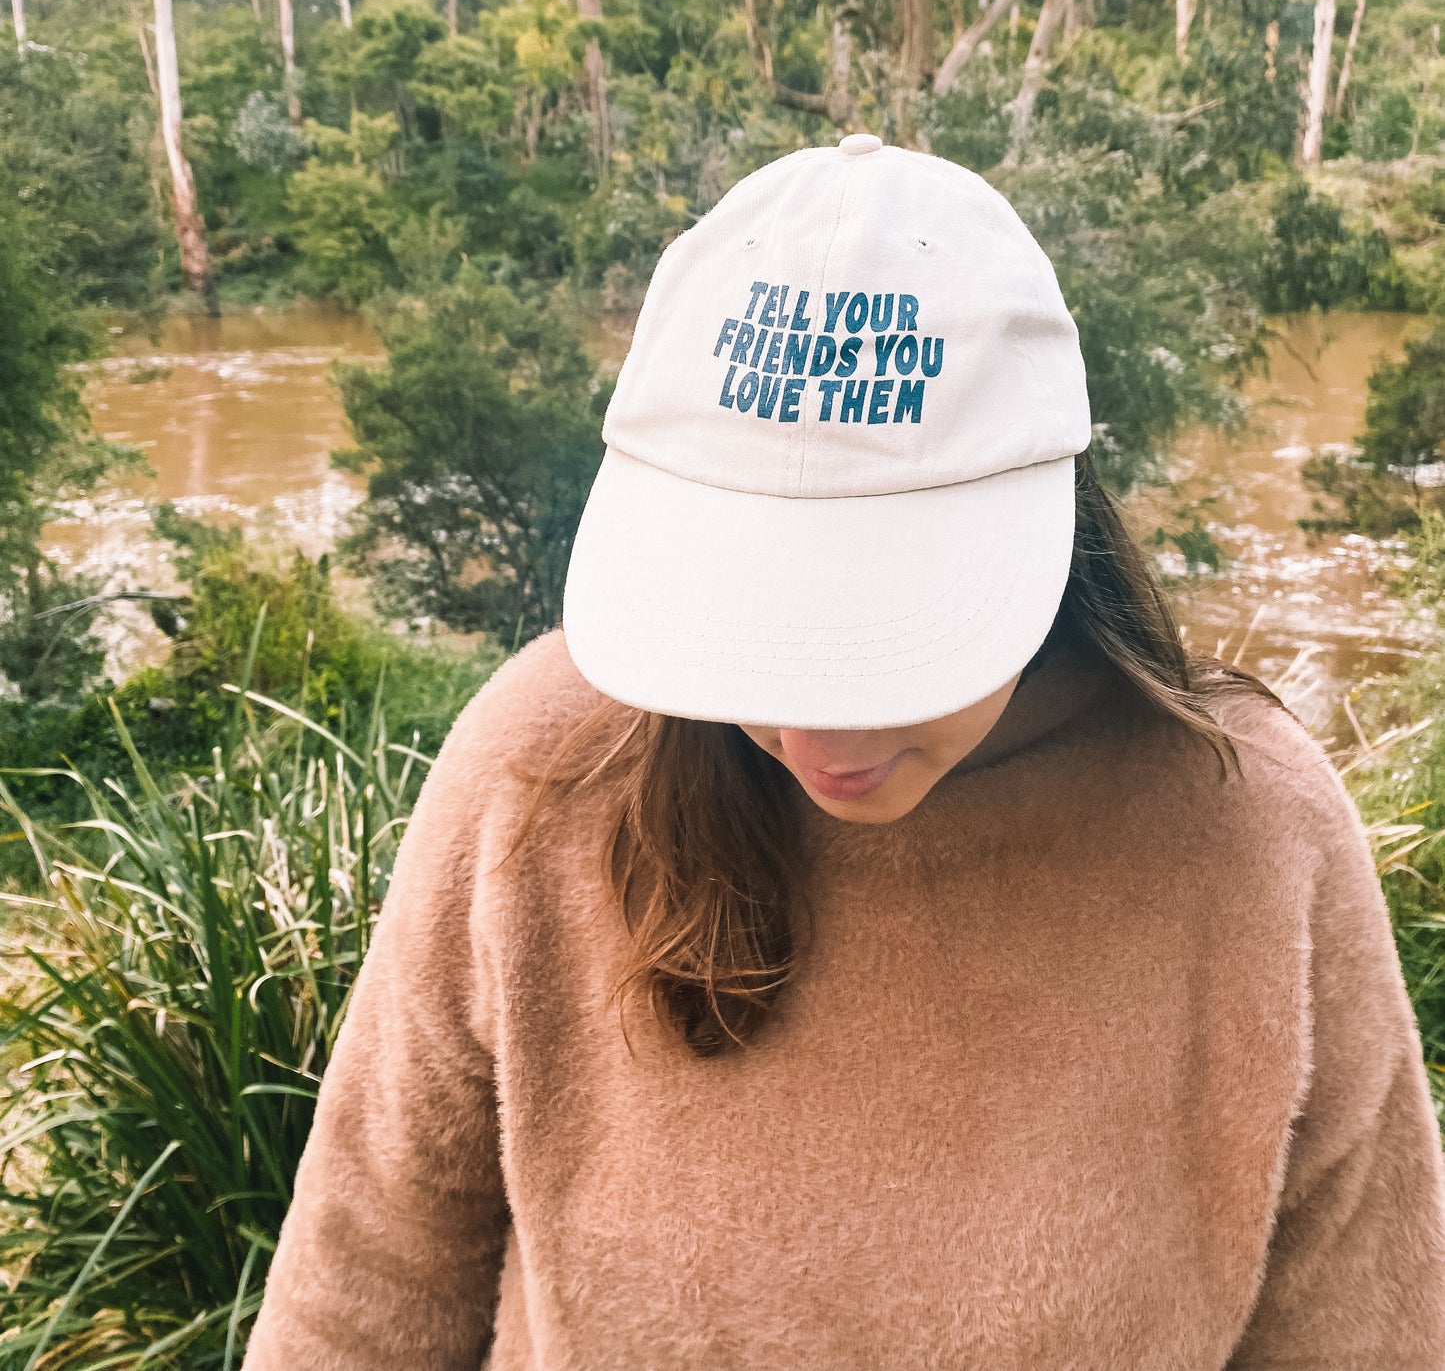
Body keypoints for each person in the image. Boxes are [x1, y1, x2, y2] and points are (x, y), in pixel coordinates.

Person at [245, 135, 1445, 1371]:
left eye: (891, 640)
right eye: (751, 633)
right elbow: (364, 1280)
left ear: (1051, 530)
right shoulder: (537, 775)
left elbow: (1367, 1331)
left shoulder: (1250, 832)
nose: (812, 737)